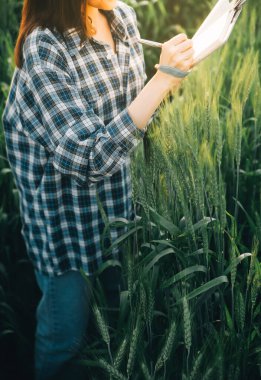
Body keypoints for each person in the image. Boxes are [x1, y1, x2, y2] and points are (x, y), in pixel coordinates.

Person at [2, 0, 195, 379]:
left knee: (113, 320)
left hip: (118, 212)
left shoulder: (120, 17)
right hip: (66, 231)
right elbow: (91, 159)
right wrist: (162, 81)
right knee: (66, 340)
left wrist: (169, 78)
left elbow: (133, 115)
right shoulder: (44, 48)